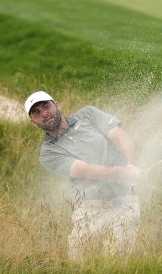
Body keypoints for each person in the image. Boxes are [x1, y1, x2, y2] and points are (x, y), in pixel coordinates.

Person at [25, 91, 143, 261]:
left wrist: (131, 165)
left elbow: (120, 137)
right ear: (33, 121)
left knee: (114, 265)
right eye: (36, 112)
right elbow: (85, 170)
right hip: (89, 209)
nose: (44, 113)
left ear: (56, 105)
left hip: (124, 202)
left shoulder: (88, 115)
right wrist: (124, 173)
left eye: (46, 106)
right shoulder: (48, 153)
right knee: (79, 265)